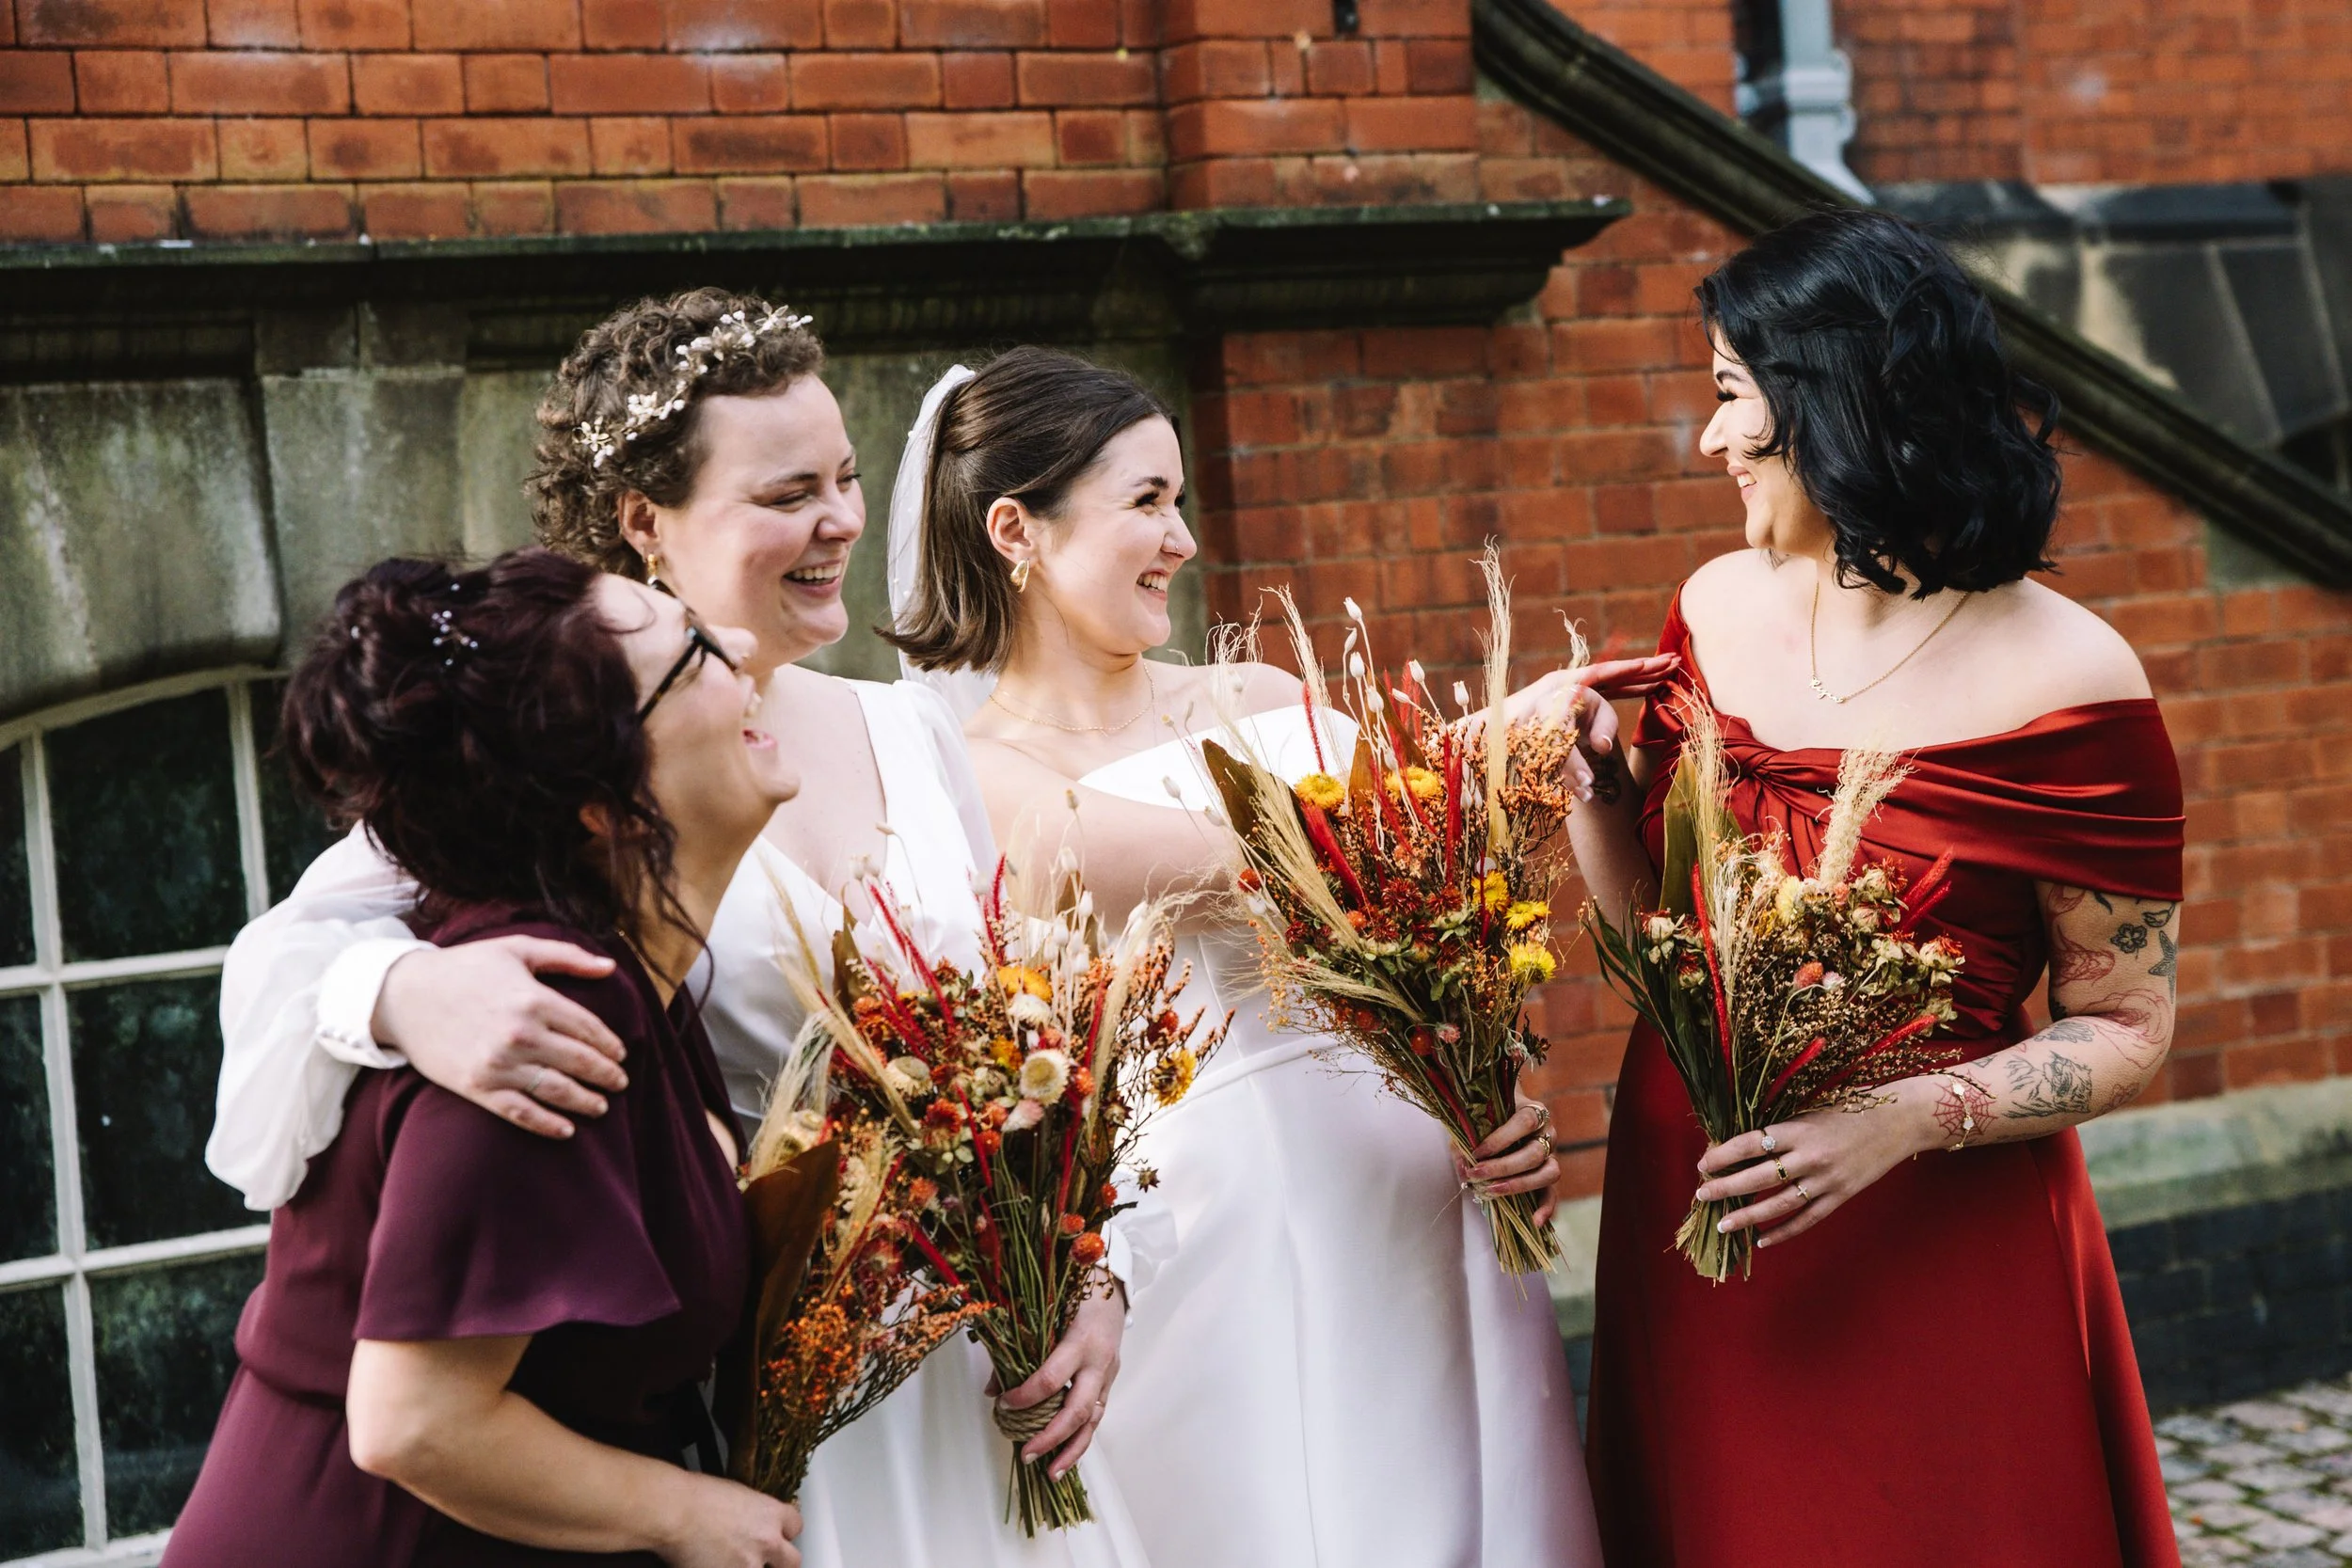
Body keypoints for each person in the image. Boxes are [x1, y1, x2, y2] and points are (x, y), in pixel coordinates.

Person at [203, 293, 1150, 1568]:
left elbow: (1028, 1029)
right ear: (645, 520)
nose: (839, 520)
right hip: (784, 1395)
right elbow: (285, 955)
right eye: (787, 493)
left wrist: (1091, 1263)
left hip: (990, 1366)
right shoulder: (566, 743)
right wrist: (404, 992)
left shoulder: (910, 728)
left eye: (847, 477)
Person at [887, 346, 1645, 1568]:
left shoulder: (1253, 689)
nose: (1182, 538)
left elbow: (1418, 898)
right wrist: (1489, 743)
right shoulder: (975, 775)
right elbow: (1302, 857)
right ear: (1016, 529)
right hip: (1222, 1231)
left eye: (1181, 499)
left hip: (1427, 1188)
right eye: (1146, 501)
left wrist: (1487, 1072)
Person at [1535, 209, 2185, 1566]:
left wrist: (1902, 1119)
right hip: (1701, 1183)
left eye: (1731, 394)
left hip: (1934, 1214)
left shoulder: (2074, 677)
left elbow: (2129, 1023)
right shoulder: (1714, 604)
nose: (1709, 438)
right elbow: (1661, 944)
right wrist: (1592, 791)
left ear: (1832, 401)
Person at [167, 550, 802, 1566]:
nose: (740, 645)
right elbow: (414, 1419)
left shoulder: (635, 967)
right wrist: (684, 1512)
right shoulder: (545, 1008)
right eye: (693, 653)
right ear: (603, 801)